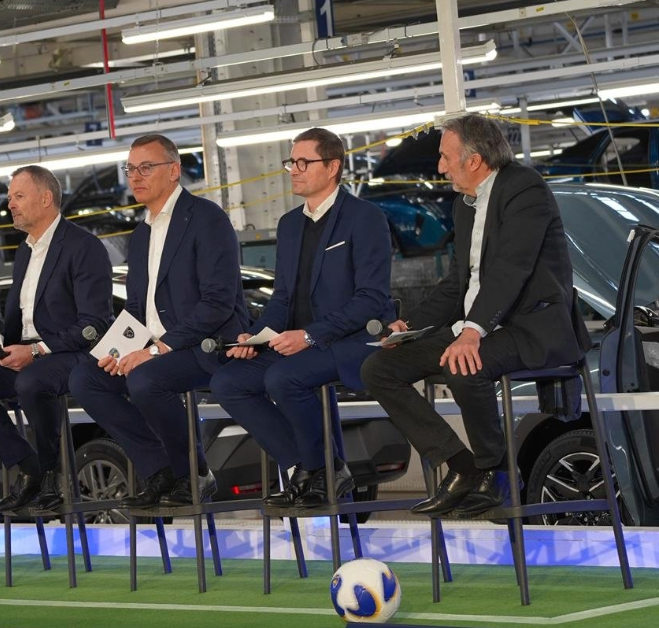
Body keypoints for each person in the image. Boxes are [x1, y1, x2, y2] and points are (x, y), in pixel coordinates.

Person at [360, 113, 590, 517]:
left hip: (531, 327)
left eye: (446, 157)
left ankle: (497, 473)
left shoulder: (524, 188)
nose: (440, 166)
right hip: (478, 328)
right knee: (379, 368)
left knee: (465, 363)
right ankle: (463, 467)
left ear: (474, 160)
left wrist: (472, 330)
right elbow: (456, 284)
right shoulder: (464, 206)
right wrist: (409, 326)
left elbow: (511, 269)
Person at [209, 128, 394, 509]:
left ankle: (320, 470)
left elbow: (372, 299)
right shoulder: (290, 224)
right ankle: (309, 468)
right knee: (227, 381)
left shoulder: (366, 218)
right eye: (291, 162)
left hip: (348, 340)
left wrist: (309, 336)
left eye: (303, 162)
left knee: (283, 377)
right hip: (299, 343)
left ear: (332, 167)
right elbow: (283, 299)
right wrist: (257, 336)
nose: (293, 170)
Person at [69, 134, 249, 507]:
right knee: (85, 377)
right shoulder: (140, 234)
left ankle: (194, 473)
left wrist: (156, 349)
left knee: (146, 378)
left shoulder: (206, 219)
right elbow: (137, 307)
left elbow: (218, 303)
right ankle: (159, 470)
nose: (135, 176)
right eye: (130, 169)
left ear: (173, 171)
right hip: (155, 348)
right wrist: (119, 349)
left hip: (203, 344)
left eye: (145, 167)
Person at [0, 166, 114, 513]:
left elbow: (95, 324)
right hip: (28, 352)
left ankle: (53, 476)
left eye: (18, 196)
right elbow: (20, 320)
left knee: (31, 381)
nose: (10, 204)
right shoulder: (24, 250)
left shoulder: (84, 246)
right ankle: (29, 468)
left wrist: (37, 350)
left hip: (71, 351)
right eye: (10, 198)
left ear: (46, 198)